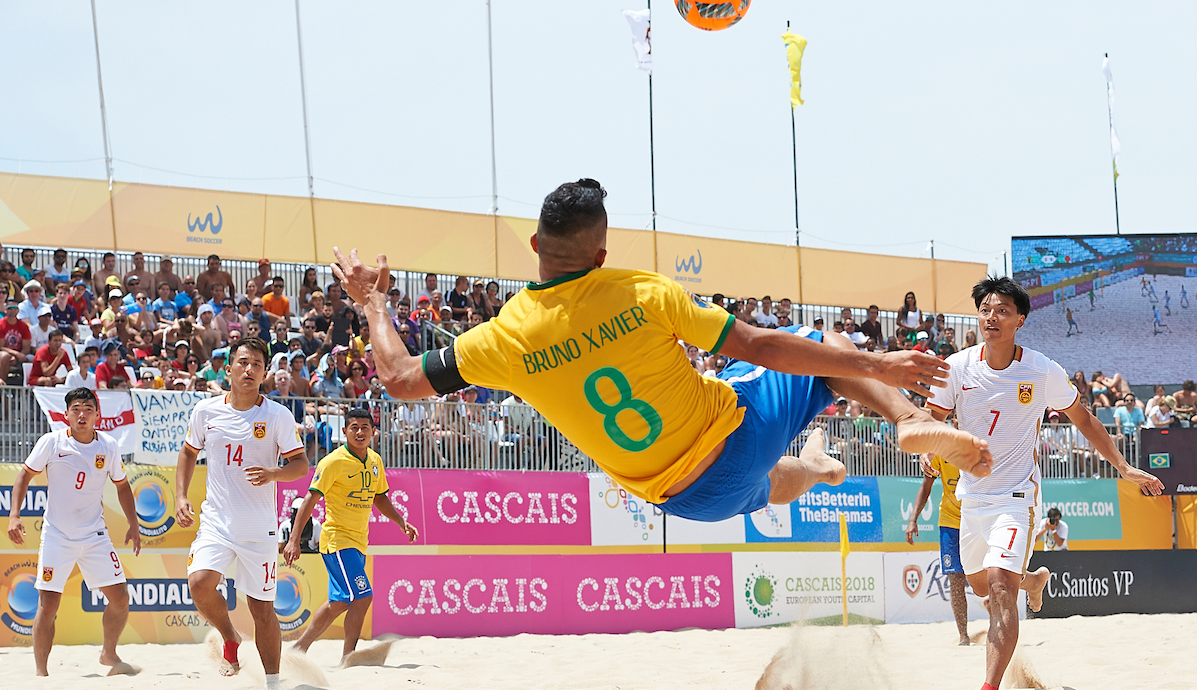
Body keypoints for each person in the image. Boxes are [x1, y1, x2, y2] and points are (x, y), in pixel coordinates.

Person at [334, 178, 993, 524]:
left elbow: (394, 376)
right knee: (824, 345)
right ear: (600, 254)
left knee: (770, 485)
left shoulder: (502, 337)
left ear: (535, 247)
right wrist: (879, 366)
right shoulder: (641, 292)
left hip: (680, 500)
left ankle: (820, 468)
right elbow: (761, 345)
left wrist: (371, 304)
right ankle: (907, 419)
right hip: (731, 438)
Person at [924, 276, 1162, 690]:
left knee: (999, 587)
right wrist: (929, 448)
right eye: (985, 310)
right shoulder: (957, 367)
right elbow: (932, 419)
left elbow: (1084, 419)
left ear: (1020, 319)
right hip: (972, 499)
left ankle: (989, 685)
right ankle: (1032, 579)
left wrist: (1124, 467)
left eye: (1002, 310)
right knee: (982, 584)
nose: (991, 317)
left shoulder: (1041, 369)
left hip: (1017, 495)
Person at [174, 337, 308, 685]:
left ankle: (273, 682)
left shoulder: (277, 415)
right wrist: (180, 497)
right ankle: (230, 636)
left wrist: (273, 473)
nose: (249, 370)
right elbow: (188, 453)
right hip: (216, 522)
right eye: (243, 362)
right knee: (200, 583)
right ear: (229, 368)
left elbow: (301, 465)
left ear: (264, 373)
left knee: (262, 610)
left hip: (258, 528)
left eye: (257, 365)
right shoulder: (206, 411)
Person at [5, 387, 142, 676]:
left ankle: (109, 653)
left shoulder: (107, 445)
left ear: (97, 414)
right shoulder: (52, 442)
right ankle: (42, 674)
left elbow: (122, 486)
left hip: (94, 535)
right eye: (76, 409)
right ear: (66, 414)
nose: (82, 414)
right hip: (57, 535)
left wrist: (134, 523)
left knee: (120, 598)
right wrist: (14, 515)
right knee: (48, 603)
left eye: (88, 409)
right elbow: (24, 475)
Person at [284, 409, 418, 665]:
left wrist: (401, 522)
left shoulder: (375, 460)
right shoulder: (333, 461)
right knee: (363, 596)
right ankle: (349, 657)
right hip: (337, 541)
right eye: (354, 427)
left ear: (373, 431)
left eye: (365, 427)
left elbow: (380, 497)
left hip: (358, 542)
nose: (359, 432)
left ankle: (299, 649)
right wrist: (293, 539)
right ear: (344, 431)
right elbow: (310, 499)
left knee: (339, 602)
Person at [906, 452, 970, 645]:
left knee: (985, 579)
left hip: (976, 518)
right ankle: (963, 636)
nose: (958, 420)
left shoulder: (977, 441)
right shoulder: (939, 450)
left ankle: (992, 610)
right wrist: (912, 519)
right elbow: (927, 485)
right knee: (956, 579)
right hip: (950, 521)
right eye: (954, 419)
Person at [0, 299, 33, 384]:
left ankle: (29, 387)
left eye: (15, 308)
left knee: (34, 359)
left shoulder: (24, 326)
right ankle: (2, 386)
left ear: (18, 310)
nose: (12, 310)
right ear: (5, 310)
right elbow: (0, 347)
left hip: (20, 354)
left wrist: (17, 358)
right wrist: (16, 354)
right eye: (10, 308)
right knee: (5, 356)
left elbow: (26, 347)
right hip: (2, 354)